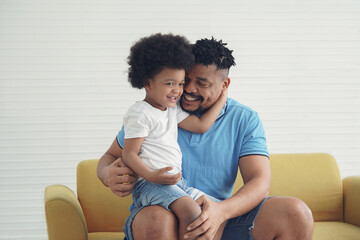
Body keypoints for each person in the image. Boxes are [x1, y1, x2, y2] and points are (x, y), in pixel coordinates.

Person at [97, 37, 314, 240]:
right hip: (162, 213)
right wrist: (108, 174)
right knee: (158, 219)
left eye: (202, 83)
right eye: (185, 80)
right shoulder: (159, 111)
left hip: (220, 214)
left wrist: (221, 211)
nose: (188, 89)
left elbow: (260, 182)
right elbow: (109, 157)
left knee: (296, 213)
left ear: (225, 85)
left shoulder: (244, 118)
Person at [121, 33, 227, 240]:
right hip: (150, 184)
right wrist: (151, 176)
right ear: (148, 82)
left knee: (207, 213)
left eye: (180, 83)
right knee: (192, 213)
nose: (178, 91)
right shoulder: (140, 113)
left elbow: (201, 125)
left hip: (175, 182)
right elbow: (129, 154)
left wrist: (222, 96)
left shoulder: (171, 109)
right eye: (170, 83)